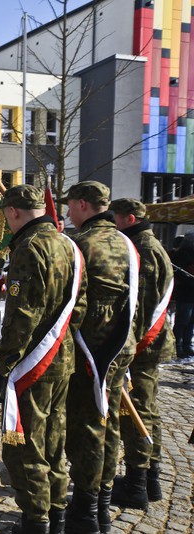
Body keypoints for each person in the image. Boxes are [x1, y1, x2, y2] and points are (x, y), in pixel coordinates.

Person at [0, 185, 86, 534]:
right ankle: (56, 515)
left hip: (33, 366)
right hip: (62, 359)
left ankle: (36, 522)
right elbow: (80, 307)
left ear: (13, 211)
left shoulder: (29, 248)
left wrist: (2, 370)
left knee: (24, 446)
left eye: (5, 215)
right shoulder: (69, 244)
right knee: (54, 442)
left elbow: (20, 318)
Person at [61, 181, 138, 534]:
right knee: (110, 425)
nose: (68, 211)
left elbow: (68, 304)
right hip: (122, 346)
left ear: (81, 205)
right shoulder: (127, 242)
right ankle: (103, 505)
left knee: (87, 429)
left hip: (90, 350)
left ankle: (86, 511)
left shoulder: (80, 245)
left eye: (70, 205)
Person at [110, 198, 175, 509]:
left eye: (117, 218)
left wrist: (128, 347)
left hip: (144, 345)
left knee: (137, 410)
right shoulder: (147, 243)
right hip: (149, 345)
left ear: (130, 218)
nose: (114, 223)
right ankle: (150, 478)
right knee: (148, 408)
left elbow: (143, 307)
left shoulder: (144, 249)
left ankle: (138, 481)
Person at [170, 232, 194, 358]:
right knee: (182, 321)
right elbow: (179, 274)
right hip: (185, 292)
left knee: (191, 321)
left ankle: (187, 344)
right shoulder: (181, 254)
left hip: (191, 293)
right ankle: (177, 346)